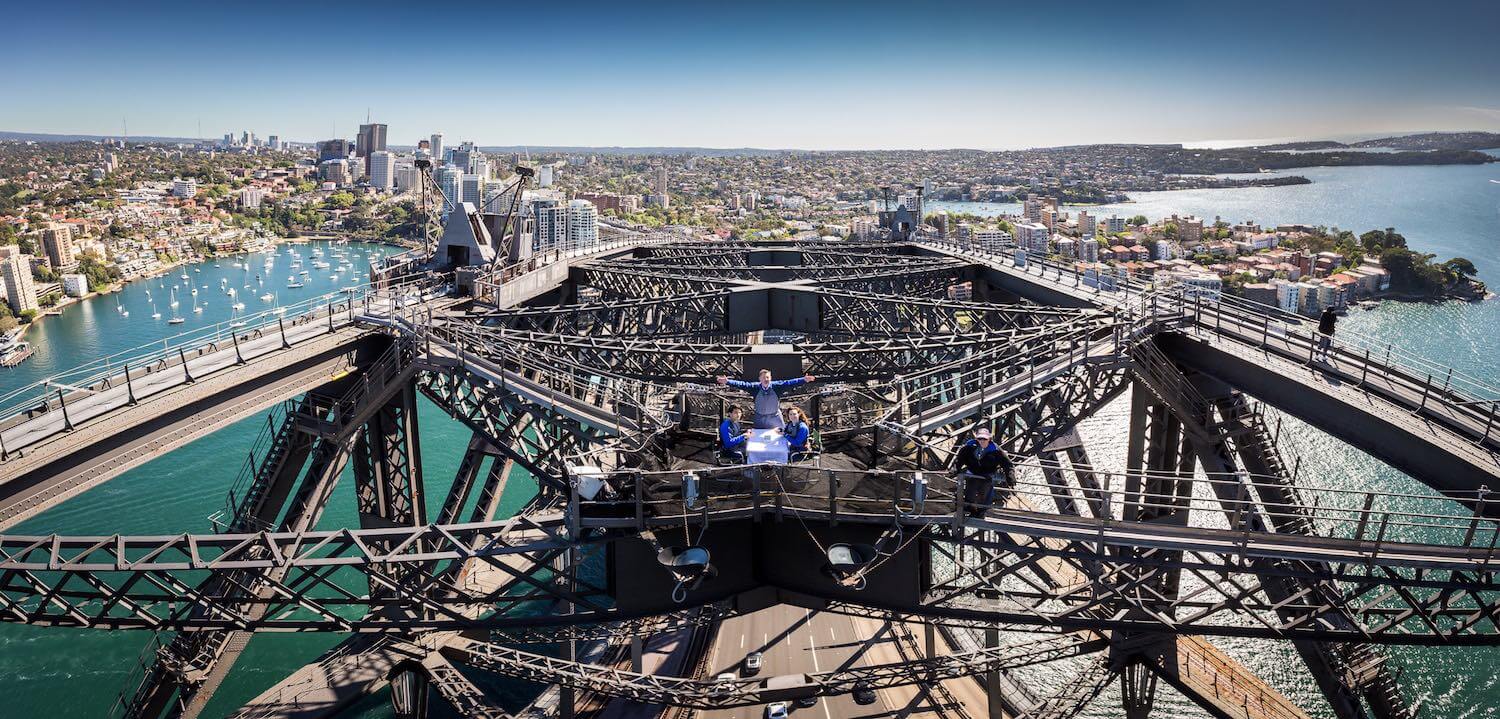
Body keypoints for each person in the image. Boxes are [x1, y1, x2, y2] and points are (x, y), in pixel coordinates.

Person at [716, 369, 816, 429]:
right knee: (758, 437)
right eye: (763, 378)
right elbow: (742, 384)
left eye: (767, 377)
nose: (766, 379)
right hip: (760, 417)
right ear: (760, 379)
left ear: (771, 378)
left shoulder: (777, 386)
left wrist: (803, 380)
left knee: (781, 435)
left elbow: (789, 383)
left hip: (775, 417)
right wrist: (728, 381)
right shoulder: (755, 387)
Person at [950, 427, 1015, 517]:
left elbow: (1007, 464)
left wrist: (1010, 476)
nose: (982, 441)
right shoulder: (969, 447)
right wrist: (955, 469)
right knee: (970, 492)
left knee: (985, 493)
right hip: (973, 473)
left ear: (989, 439)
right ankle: (970, 509)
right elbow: (959, 460)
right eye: (979, 438)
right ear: (976, 439)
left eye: (984, 439)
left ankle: (981, 511)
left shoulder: (996, 450)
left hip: (986, 475)